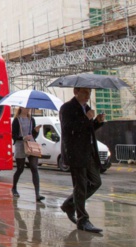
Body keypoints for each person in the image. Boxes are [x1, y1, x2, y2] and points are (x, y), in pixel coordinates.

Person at [59, 87, 106, 233]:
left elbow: (87, 129)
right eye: (85, 92)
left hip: (89, 152)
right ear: (76, 92)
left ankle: (69, 204)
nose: (88, 96)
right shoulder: (67, 108)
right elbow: (69, 129)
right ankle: (82, 220)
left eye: (89, 93)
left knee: (96, 181)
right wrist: (86, 118)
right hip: (76, 153)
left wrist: (97, 122)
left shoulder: (87, 108)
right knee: (80, 186)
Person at [10, 107, 44, 202]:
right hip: (20, 145)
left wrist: (36, 131)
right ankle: (14, 188)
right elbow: (14, 135)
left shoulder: (31, 119)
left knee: (34, 167)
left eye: (29, 107)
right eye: (26, 107)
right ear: (21, 108)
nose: (28, 109)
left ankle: (37, 194)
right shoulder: (16, 120)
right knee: (20, 169)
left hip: (31, 145)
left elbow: (33, 135)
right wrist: (22, 138)